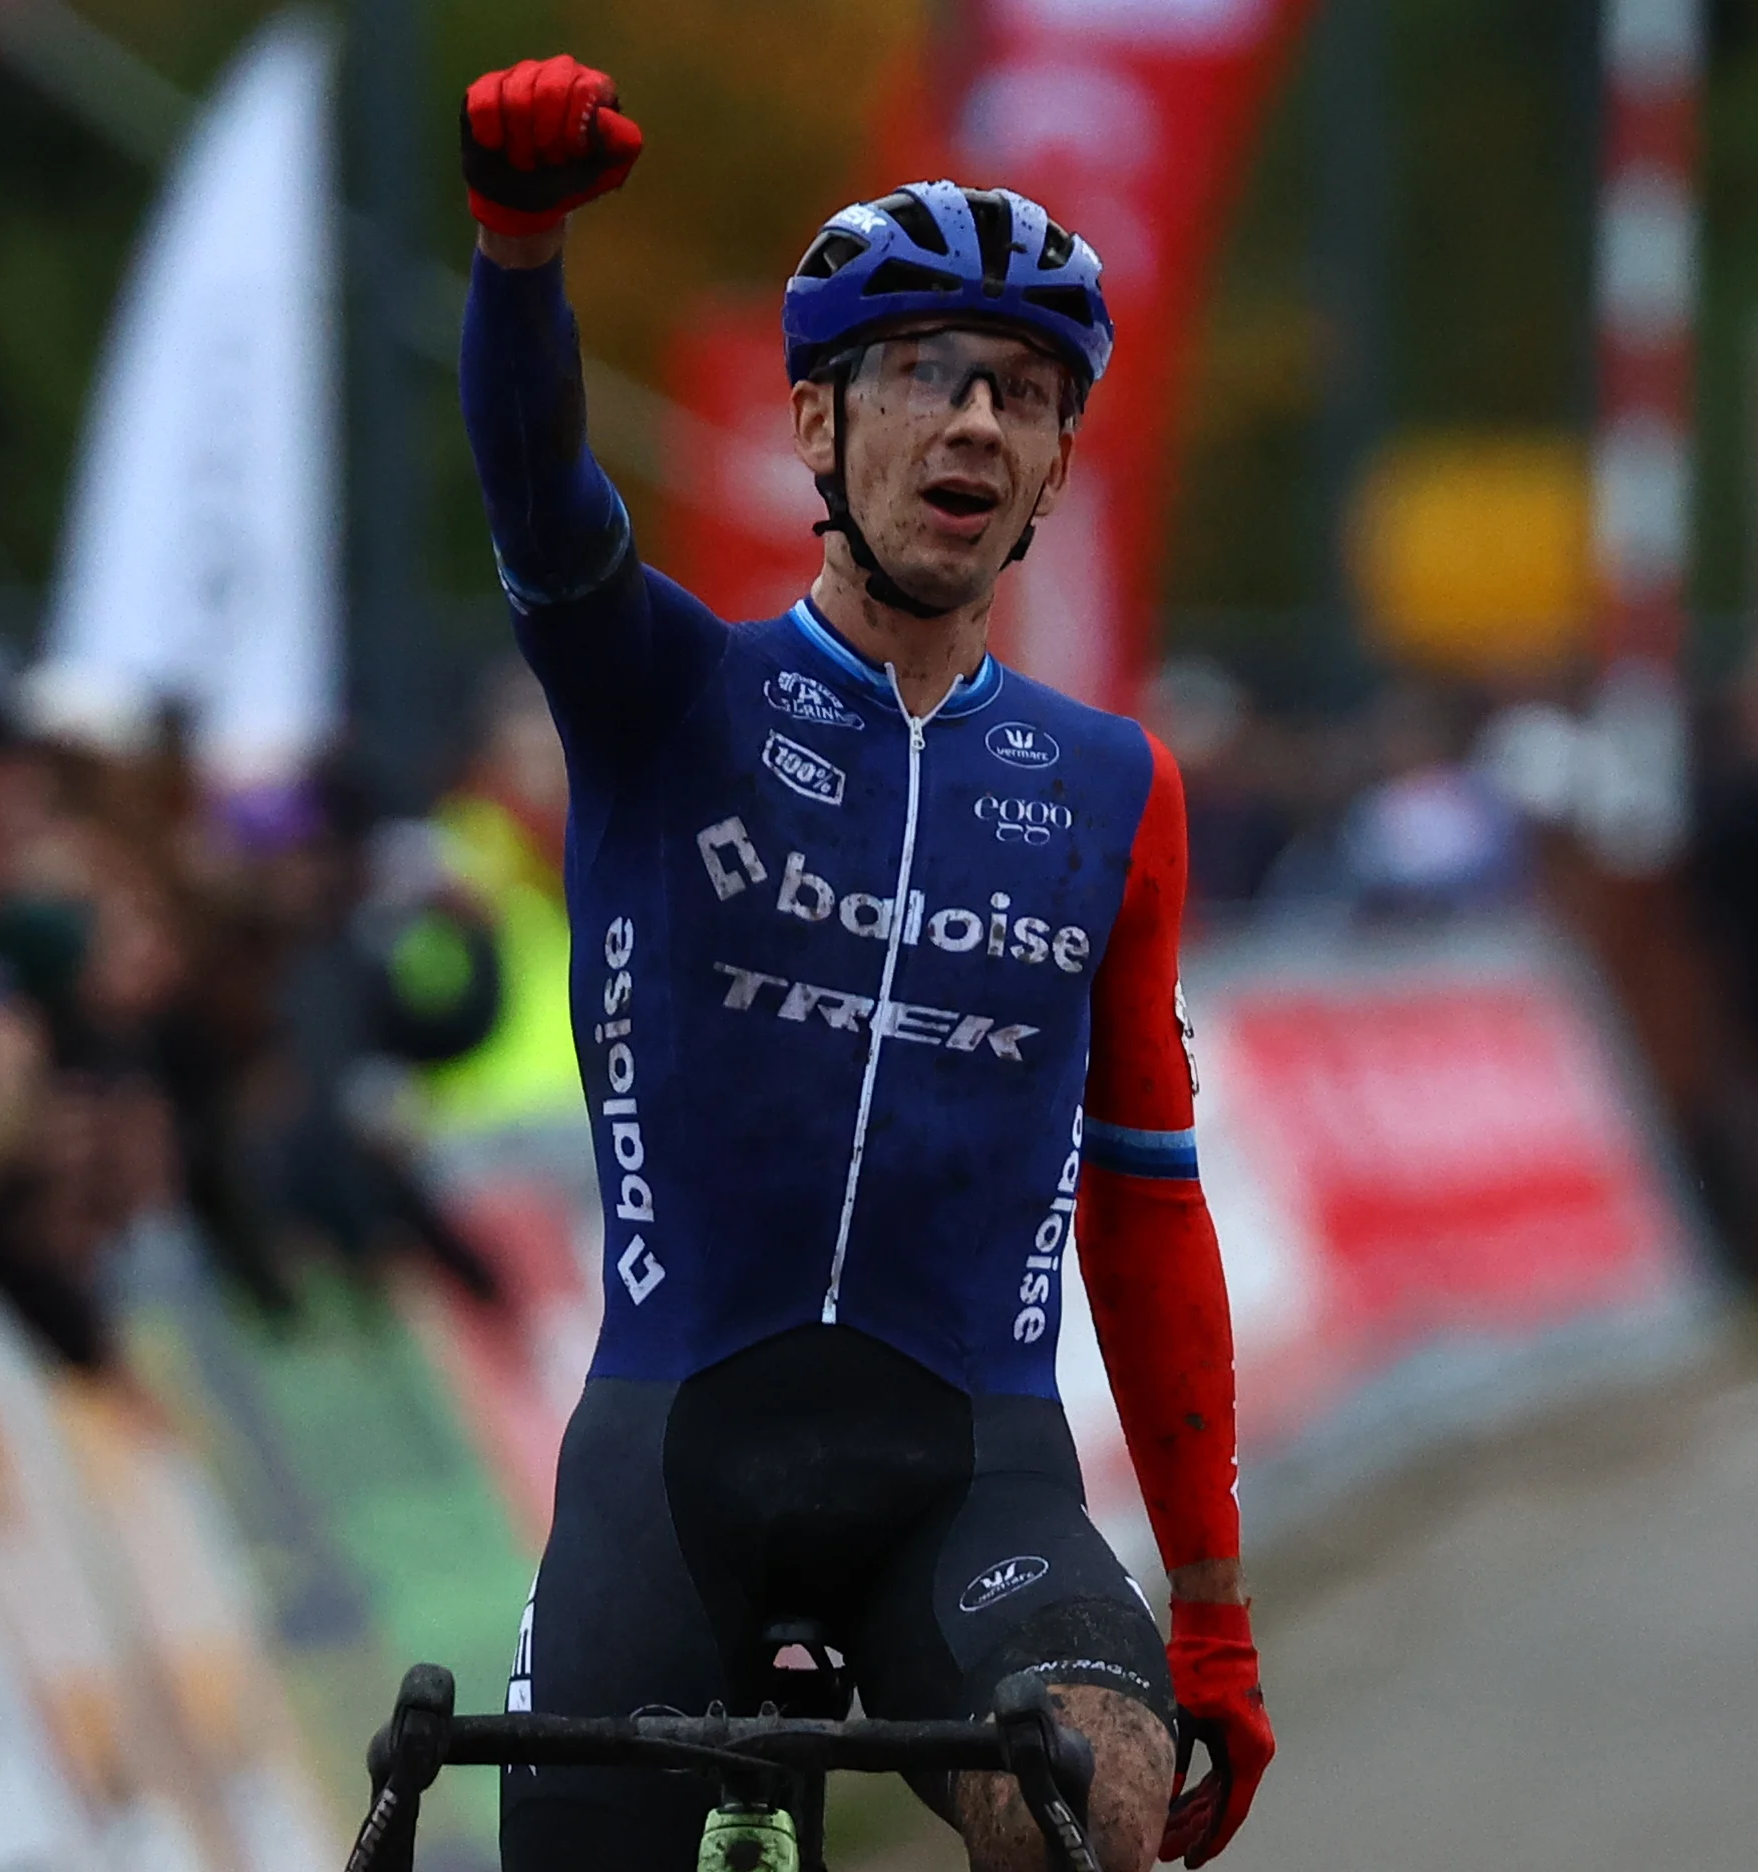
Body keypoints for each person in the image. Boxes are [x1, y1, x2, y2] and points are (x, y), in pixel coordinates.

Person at [454, 56, 1269, 1872]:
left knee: (1094, 1798)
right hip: (677, 1459)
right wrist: (519, 253)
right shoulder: (671, 699)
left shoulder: (1110, 784)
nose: (974, 424)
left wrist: (1207, 1610)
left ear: (1061, 457)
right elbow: (536, 497)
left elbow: (1147, 1208)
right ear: (812, 428)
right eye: (922, 376)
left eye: (1027, 392)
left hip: (967, 1476)